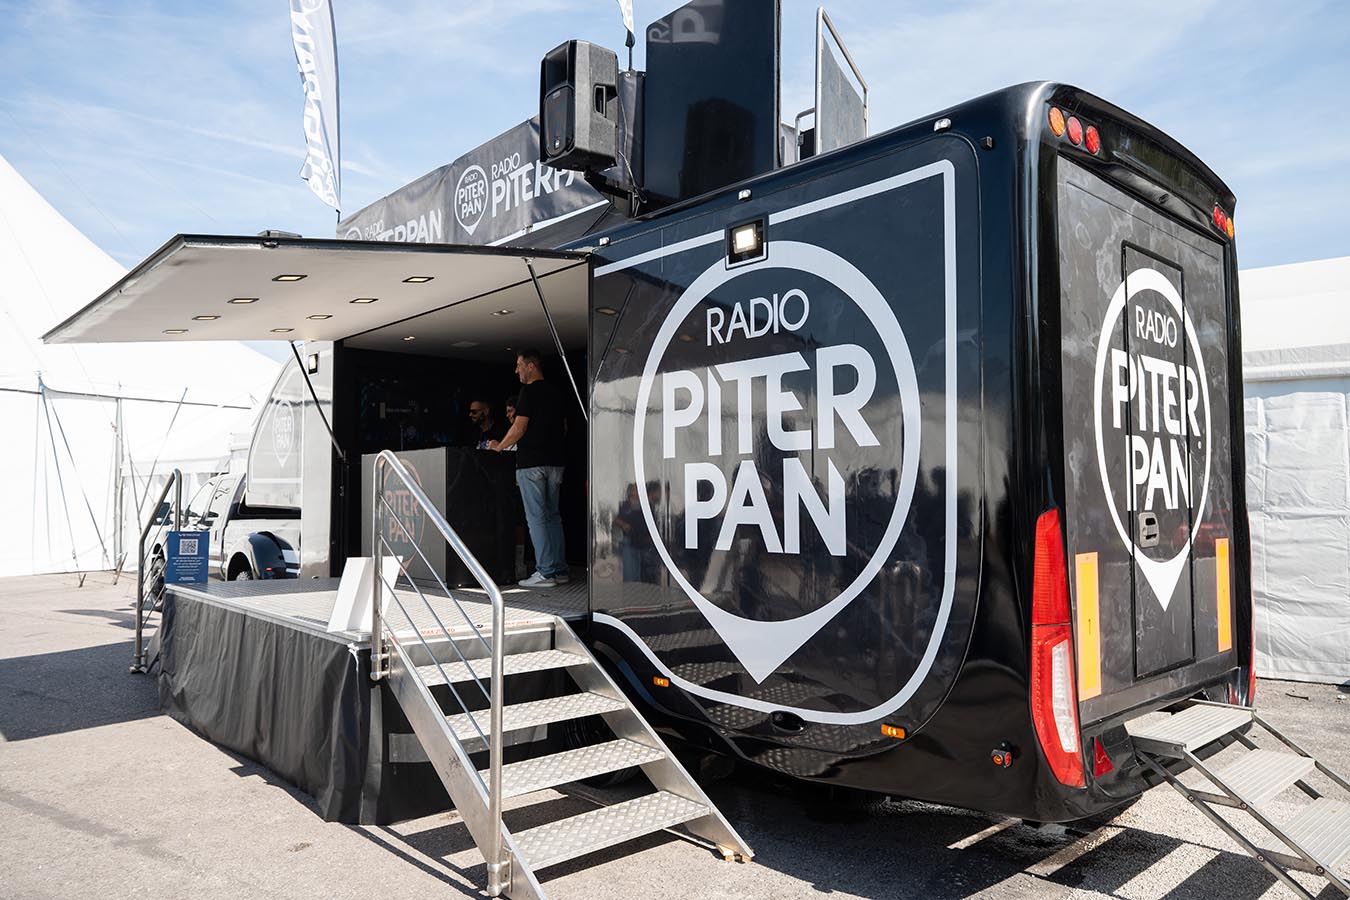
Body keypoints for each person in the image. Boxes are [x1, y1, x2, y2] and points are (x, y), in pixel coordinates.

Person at [490, 350, 567, 587]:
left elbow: (519, 427)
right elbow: (564, 427)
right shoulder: (557, 393)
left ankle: (545, 572)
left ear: (531, 366)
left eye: (519, 365)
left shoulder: (528, 392)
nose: (517, 370)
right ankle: (559, 569)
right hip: (556, 462)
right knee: (553, 516)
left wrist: (499, 446)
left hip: (532, 463)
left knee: (536, 519)